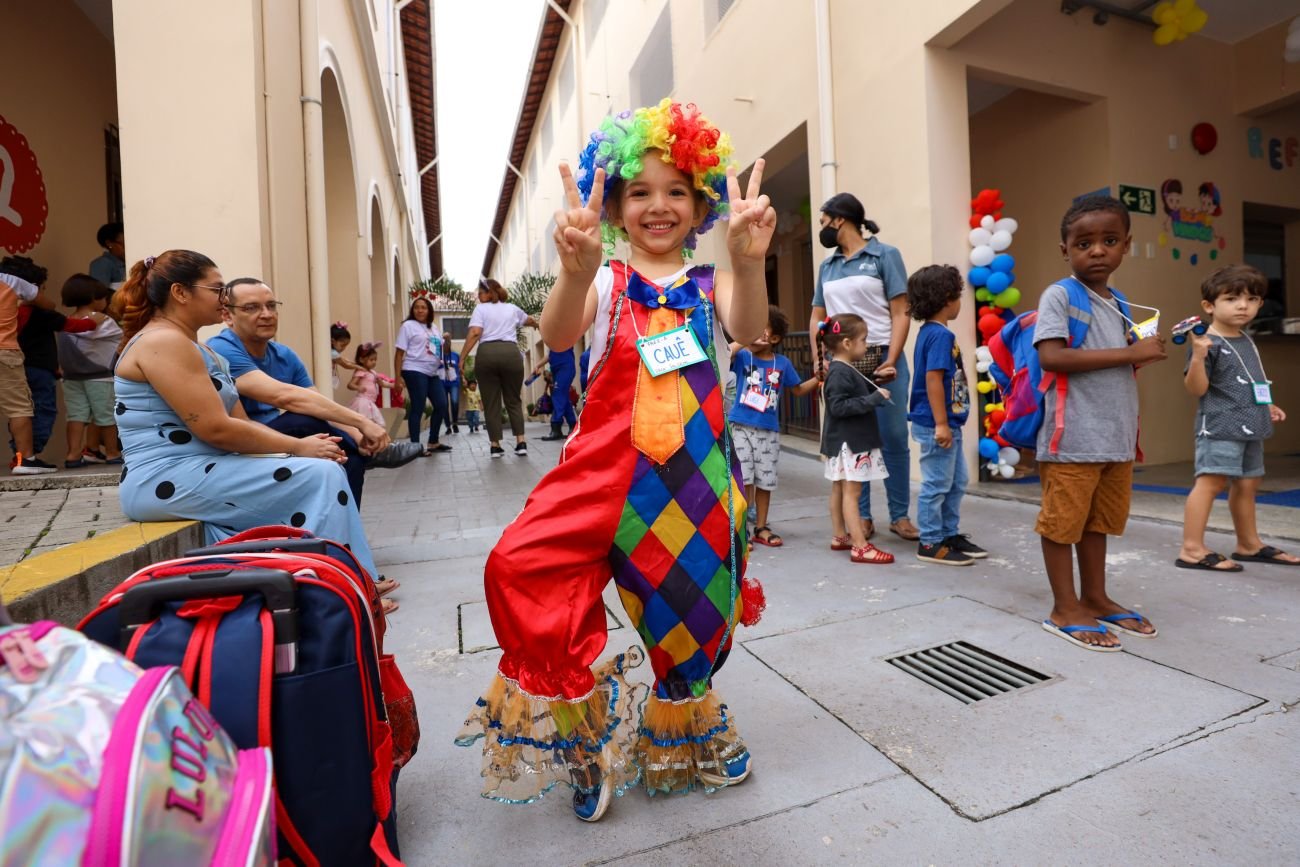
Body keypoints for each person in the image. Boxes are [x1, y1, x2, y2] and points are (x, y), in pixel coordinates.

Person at [456, 100, 774, 820]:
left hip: (692, 484)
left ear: (701, 204)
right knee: (517, 568)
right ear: (614, 204)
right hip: (598, 475)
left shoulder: (708, 282)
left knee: (691, 620)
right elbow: (560, 335)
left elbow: (749, 328)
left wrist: (747, 265)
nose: (658, 207)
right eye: (639, 191)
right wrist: (574, 273)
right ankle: (583, 740)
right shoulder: (603, 277)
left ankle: (689, 728)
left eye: (675, 192)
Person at [111, 250, 382, 583]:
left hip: (200, 469)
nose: (224, 299)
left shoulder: (200, 348)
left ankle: (336, 580)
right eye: (216, 290)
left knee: (324, 466)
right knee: (319, 475)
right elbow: (216, 429)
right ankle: (340, 582)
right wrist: (297, 448)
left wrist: (295, 449)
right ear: (180, 293)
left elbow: (241, 423)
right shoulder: (163, 342)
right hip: (165, 477)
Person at [1036, 195, 1165, 652]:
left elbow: (1112, 362)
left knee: (1097, 523)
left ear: (1126, 245)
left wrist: (1142, 353)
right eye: (1084, 242)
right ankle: (1063, 607)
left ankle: (1094, 595)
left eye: (1109, 241)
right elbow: (1051, 356)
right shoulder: (1060, 294)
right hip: (1073, 437)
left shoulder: (1120, 301)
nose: (1096, 251)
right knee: (1062, 524)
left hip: (1115, 437)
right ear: (1064, 249)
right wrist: (1132, 352)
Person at [207, 278, 407, 514]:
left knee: (348, 458)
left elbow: (317, 402)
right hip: (241, 444)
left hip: (277, 437)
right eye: (252, 308)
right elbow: (285, 397)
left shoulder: (283, 355)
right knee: (304, 420)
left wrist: (360, 438)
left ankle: (341, 540)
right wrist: (363, 422)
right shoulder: (221, 348)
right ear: (228, 316)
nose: (266, 314)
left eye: (271, 306)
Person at [809, 193, 918, 543]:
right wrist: (818, 356)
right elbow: (817, 316)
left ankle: (900, 515)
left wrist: (893, 356)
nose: (822, 228)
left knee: (894, 437)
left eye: (824, 221)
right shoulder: (828, 267)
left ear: (840, 219)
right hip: (843, 364)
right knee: (855, 442)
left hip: (883, 355)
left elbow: (901, 310)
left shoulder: (885, 256)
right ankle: (863, 517)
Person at [1178, 265, 1296, 570]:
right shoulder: (1207, 341)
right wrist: (1199, 356)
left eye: (1252, 299)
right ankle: (1191, 548)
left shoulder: (1245, 338)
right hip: (1220, 425)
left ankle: (1248, 543)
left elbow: (1249, 379)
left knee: (1248, 483)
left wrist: (1266, 404)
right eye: (1231, 298)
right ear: (1209, 306)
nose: (1243, 305)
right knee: (1210, 482)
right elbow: (1196, 389)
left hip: (1252, 423)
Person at [906, 265, 984, 566]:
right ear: (947, 298)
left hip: (947, 423)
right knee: (937, 484)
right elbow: (933, 379)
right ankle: (929, 541)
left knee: (956, 481)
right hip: (937, 424)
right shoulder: (938, 336)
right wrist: (940, 423)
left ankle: (948, 534)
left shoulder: (933, 332)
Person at [728, 305, 819, 547]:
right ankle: (742, 530)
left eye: (762, 329)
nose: (756, 333)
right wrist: (745, 336)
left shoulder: (783, 363)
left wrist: (819, 379)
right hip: (740, 426)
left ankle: (761, 526)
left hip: (768, 430)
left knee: (765, 481)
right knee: (745, 479)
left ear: (775, 338)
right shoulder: (742, 356)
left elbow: (798, 390)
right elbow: (725, 353)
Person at [4, 255, 101, 470]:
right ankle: (26, 457)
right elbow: (69, 324)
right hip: (36, 369)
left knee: (17, 411)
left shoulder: (12, 310)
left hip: (20, 365)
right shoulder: (39, 311)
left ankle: (20, 456)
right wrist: (94, 322)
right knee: (35, 410)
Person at [818, 314, 895, 565]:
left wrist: (874, 386)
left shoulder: (842, 369)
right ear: (848, 343)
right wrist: (874, 399)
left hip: (842, 442)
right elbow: (839, 407)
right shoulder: (840, 372)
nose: (867, 345)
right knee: (852, 491)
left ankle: (840, 536)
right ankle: (860, 546)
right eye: (864, 340)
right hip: (850, 443)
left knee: (840, 488)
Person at [459, 281, 535, 457]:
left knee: (491, 401)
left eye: (481, 292)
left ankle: (495, 445)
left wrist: (462, 357)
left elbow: (475, 333)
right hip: (510, 353)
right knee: (513, 400)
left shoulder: (481, 310)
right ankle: (521, 442)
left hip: (487, 354)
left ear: (490, 292)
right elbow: (529, 320)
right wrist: (539, 325)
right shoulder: (512, 308)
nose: (478, 296)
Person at [57, 275, 124, 468]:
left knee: (76, 416)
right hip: (100, 378)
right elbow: (121, 338)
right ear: (95, 299)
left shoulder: (67, 323)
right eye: (104, 298)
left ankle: (73, 454)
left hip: (70, 379)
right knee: (106, 416)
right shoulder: (105, 322)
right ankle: (112, 453)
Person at [1, 268, 54, 475]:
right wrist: (21, 301)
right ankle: (26, 460)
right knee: (19, 408)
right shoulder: (10, 281)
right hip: (4, 351)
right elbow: (49, 304)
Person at [392, 296, 451, 455]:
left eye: (423, 307)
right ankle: (415, 447)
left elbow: (439, 349)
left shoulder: (434, 328)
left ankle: (433, 442)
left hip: (432, 372)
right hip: (414, 369)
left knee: (441, 405)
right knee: (418, 407)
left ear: (429, 310)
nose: (420, 310)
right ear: (413, 310)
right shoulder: (408, 326)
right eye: (416, 307)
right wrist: (398, 377)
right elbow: (399, 354)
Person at [346, 341, 396, 427]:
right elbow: (350, 385)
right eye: (371, 360)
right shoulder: (361, 371)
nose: (374, 362)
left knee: (374, 423)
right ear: (361, 359)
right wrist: (358, 387)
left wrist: (395, 385)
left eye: (375, 360)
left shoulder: (373, 372)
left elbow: (382, 384)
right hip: (363, 401)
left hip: (371, 402)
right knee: (366, 422)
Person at [540, 346, 577, 441]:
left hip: (565, 367)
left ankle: (555, 427)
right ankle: (573, 426)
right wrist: (538, 366)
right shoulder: (552, 340)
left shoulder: (561, 335)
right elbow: (549, 355)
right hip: (557, 369)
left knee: (558, 395)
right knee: (563, 397)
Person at [90, 222, 127, 289]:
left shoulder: (126, 261)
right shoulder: (102, 264)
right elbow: (99, 294)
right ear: (109, 243)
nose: (127, 247)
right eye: (123, 244)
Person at [329, 321, 359, 391]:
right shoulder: (333, 354)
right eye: (342, 345)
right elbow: (345, 365)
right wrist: (358, 367)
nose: (344, 348)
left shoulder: (332, 352)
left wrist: (355, 364)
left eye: (346, 346)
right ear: (332, 341)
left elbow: (344, 360)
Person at [441, 331, 461, 435]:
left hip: (454, 383)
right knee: (444, 404)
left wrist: (464, 379)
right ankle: (448, 426)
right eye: (444, 339)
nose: (446, 341)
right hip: (442, 383)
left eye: (448, 339)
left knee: (454, 402)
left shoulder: (456, 355)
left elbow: (461, 368)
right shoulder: (439, 356)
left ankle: (455, 423)